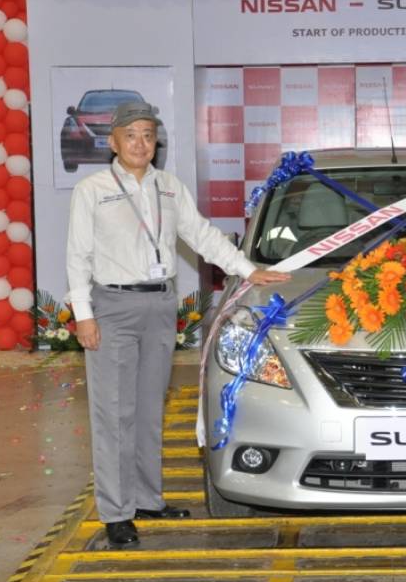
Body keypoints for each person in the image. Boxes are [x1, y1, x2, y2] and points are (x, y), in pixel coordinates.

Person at [66, 101, 289, 549]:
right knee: (114, 414)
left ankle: (147, 499)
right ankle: (116, 512)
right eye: (131, 135)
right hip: (112, 307)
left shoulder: (169, 187)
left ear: (156, 142)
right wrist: (84, 316)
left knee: (150, 410)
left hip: (160, 305)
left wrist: (247, 270)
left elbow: (202, 235)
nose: (140, 143)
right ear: (113, 142)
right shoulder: (92, 190)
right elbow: (77, 256)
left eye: (148, 135)